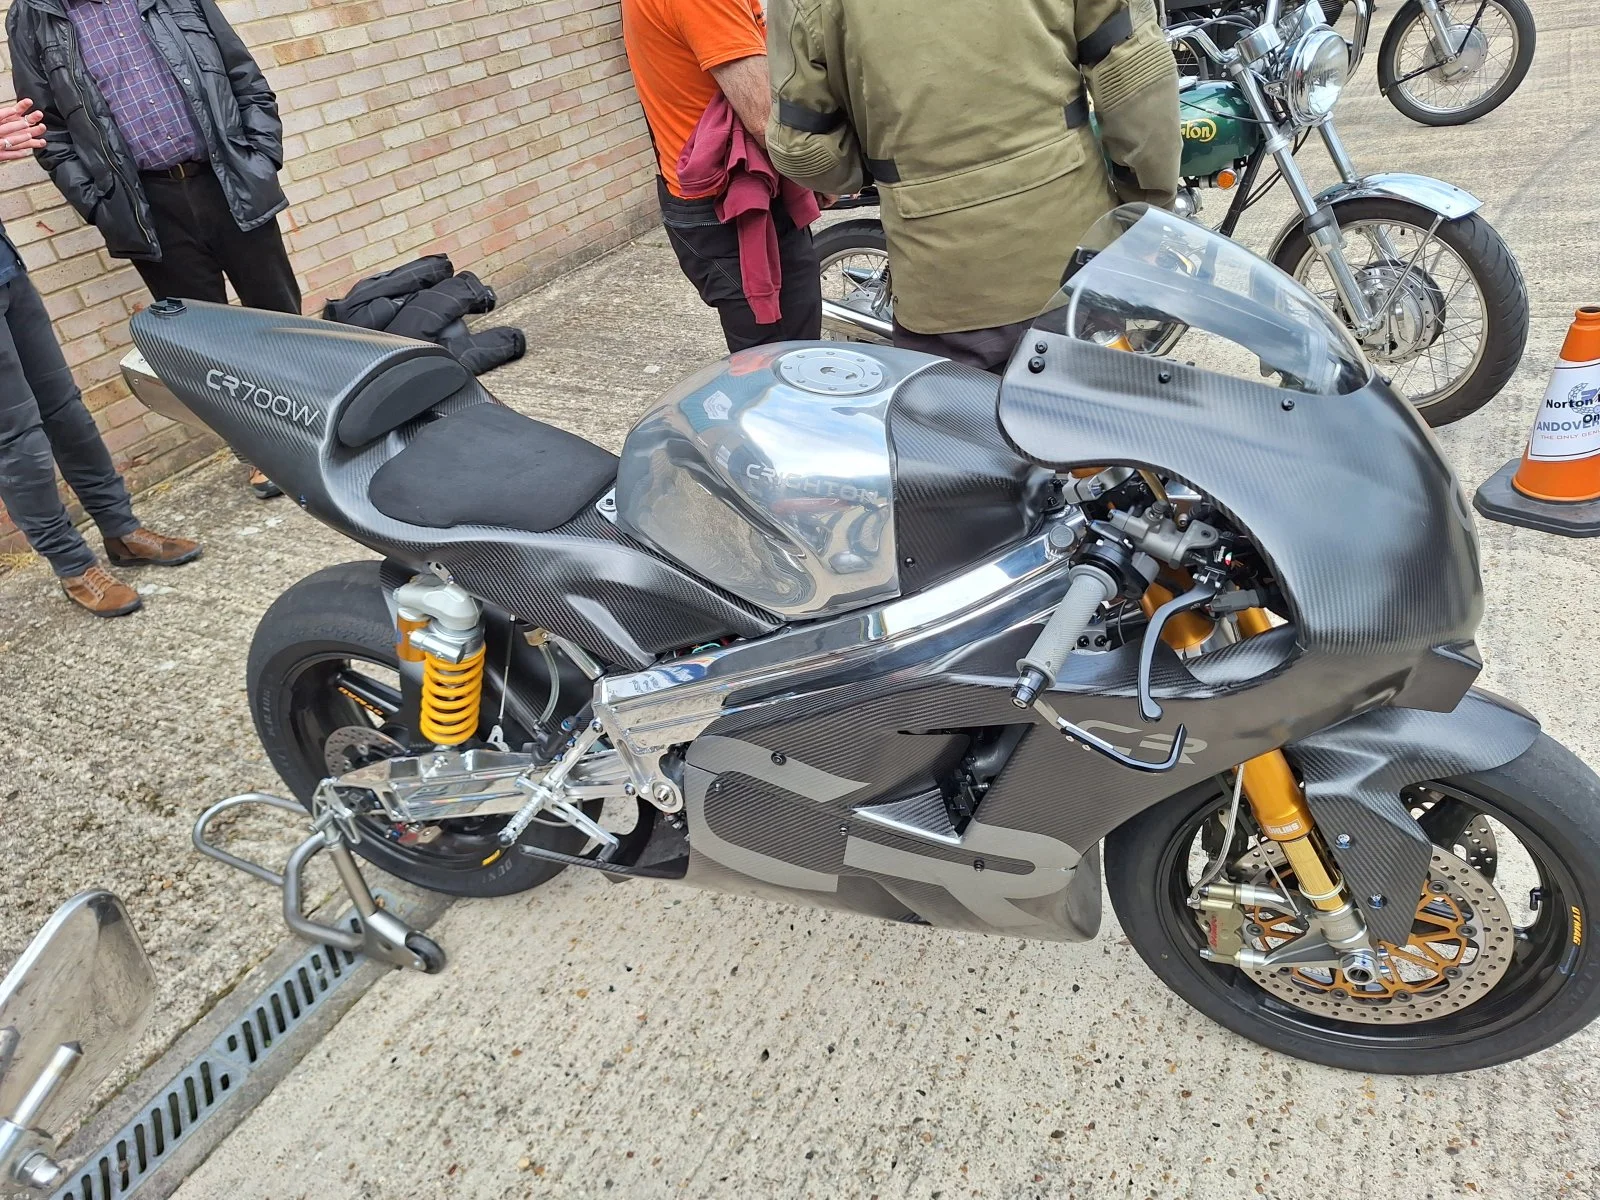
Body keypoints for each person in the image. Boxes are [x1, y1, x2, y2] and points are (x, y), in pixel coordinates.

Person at [767, 0, 1182, 371]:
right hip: (1072, 264)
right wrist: (1145, 217)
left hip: (941, 287)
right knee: (1093, 425)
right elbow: (1137, 84)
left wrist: (885, 163)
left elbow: (801, 149)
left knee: (960, 427)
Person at [8, 0, 301, 499]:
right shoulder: (32, 16)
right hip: (148, 205)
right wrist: (98, 203)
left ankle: (322, 427)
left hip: (227, 179)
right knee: (204, 342)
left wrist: (261, 154)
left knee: (280, 316)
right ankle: (260, 452)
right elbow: (48, 131)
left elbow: (242, 72)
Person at [0, 99, 201, 618]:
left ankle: (122, 531)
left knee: (65, 411)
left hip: (5, 272)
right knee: (18, 441)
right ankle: (73, 566)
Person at [621, 0, 823, 352]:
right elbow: (766, 120)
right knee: (780, 360)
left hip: (736, 190)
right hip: (731, 204)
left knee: (784, 349)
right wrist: (826, 173)